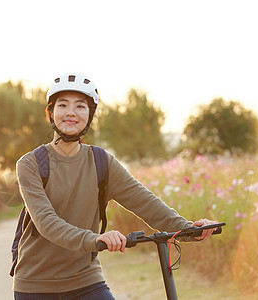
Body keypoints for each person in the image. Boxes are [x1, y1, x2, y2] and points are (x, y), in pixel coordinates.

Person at [13, 72, 217, 299]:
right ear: (51, 112)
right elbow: (47, 222)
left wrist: (188, 229)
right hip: (37, 284)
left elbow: (145, 202)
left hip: (86, 278)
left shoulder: (102, 163)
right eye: (63, 105)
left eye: (80, 106)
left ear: (90, 115)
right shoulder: (30, 164)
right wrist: (95, 239)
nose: (71, 112)